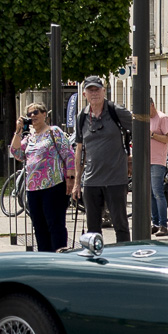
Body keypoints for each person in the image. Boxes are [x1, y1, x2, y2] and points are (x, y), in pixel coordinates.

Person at [68, 76, 130, 244]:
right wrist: (76, 182)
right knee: (93, 229)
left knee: (121, 225)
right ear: (84, 94)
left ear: (104, 91)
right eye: (90, 90)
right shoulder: (82, 116)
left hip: (116, 179)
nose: (94, 93)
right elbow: (79, 150)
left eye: (97, 89)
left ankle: (123, 260)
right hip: (91, 180)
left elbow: (140, 129)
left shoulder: (115, 111)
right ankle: (96, 261)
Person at [9, 102, 76, 252]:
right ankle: (44, 256)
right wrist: (18, 131)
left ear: (45, 114)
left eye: (36, 112)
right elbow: (17, 153)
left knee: (54, 223)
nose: (33, 116)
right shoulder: (30, 138)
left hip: (53, 185)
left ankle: (58, 255)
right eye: (30, 114)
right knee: (39, 225)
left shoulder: (54, 131)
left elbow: (69, 154)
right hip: (33, 188)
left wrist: (71, 178)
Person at [148, 104, 168, 236]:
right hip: (146, 161)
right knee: (151, 194)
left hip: (157, 161)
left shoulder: (162, 118)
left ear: (152, 105)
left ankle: (163, 225)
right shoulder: (146, 119)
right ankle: (155, 223)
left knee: (158, 192)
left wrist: (152, 135)